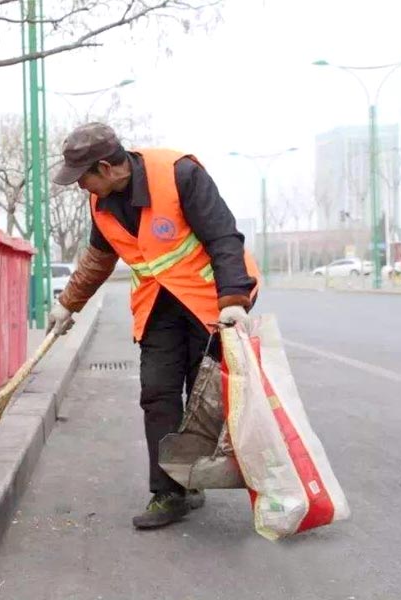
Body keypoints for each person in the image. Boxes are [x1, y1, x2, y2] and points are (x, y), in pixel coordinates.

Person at [48, 122, 260, 529]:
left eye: (84, 178)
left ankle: (211, 476)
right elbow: (97, 261)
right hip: (159, 308)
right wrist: (66, 305)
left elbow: (223, 238)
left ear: (107, 168)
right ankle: (170, 492)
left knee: (204, 396)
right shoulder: (102, 205)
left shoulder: (179, 175)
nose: (81, 188)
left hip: (211, 303)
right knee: (158, 393)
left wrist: (234, 301)